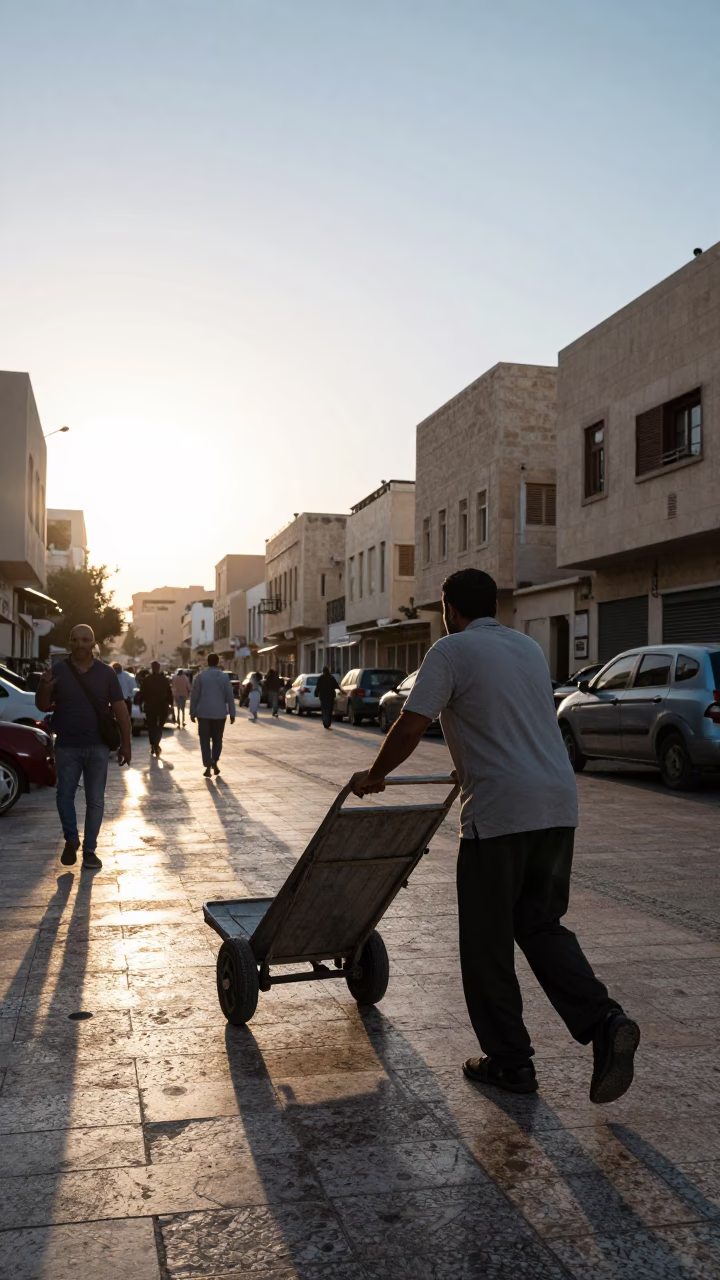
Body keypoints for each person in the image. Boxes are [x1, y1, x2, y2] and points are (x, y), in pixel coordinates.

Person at [350, 568, 639, 1106]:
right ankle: (605, 1022)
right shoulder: (527, 648)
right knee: (540, 924)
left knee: (486, 944)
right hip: (557, 806)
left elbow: (411, 724)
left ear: (451, 610)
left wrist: (375, 774)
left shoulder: (451, 650)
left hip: (500, 815)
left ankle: (511, 1063)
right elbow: (509, 720)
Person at [35, 623, 131, 870]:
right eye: (75, 640)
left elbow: (120, 710)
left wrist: (126, 744)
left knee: (95, 800)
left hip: (98, 747)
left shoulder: (106, 673)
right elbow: (43, 706)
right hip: (67, 745)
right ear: (70, 642)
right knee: (64, 795)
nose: (80, 645)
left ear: (93, 643)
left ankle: (90, 851)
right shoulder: (59, 670)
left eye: (85, 640)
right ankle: (71, 838)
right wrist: (45, 686)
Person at [190, 652, 235, 775]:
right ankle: (214, 760)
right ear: (218, 662)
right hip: (219, 714)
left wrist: (192, 712)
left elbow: (194, 696)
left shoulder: (200, 676)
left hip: (203, 714)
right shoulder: (224, 677)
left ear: (208, 662)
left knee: (204, 739)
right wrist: (232, 712)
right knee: (217, 739)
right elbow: (229, 696)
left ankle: (208, 764)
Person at [139, 661, 173, 757]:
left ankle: (154, 743)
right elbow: (169, 693)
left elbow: (142, 693)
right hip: (162, 707)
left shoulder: (147, 680)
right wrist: (171, 703)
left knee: (151, 726)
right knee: (159, 726)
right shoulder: (164, 680)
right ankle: (156, 743)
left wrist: (141, 704)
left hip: (151, 707)